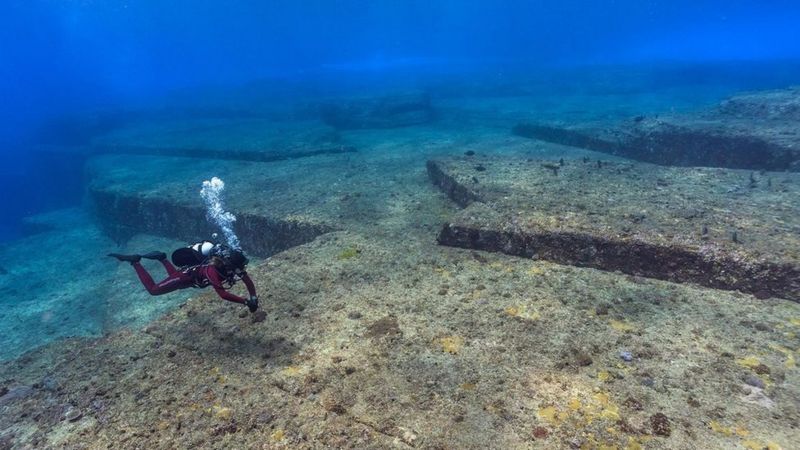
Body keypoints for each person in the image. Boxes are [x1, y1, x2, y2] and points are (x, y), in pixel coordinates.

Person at [109, 242, 259, 312]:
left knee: (177, 281)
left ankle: (162, 258)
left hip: (188, 278)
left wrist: (253, 298)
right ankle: (136, 262)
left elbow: (248, 281)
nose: (242, 270)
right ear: (230, 264)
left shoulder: (233, 267)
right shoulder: (213, 271)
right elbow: (223, 294)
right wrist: (245, 301)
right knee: (154, 290)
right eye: (240, 267)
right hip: (185, 277)